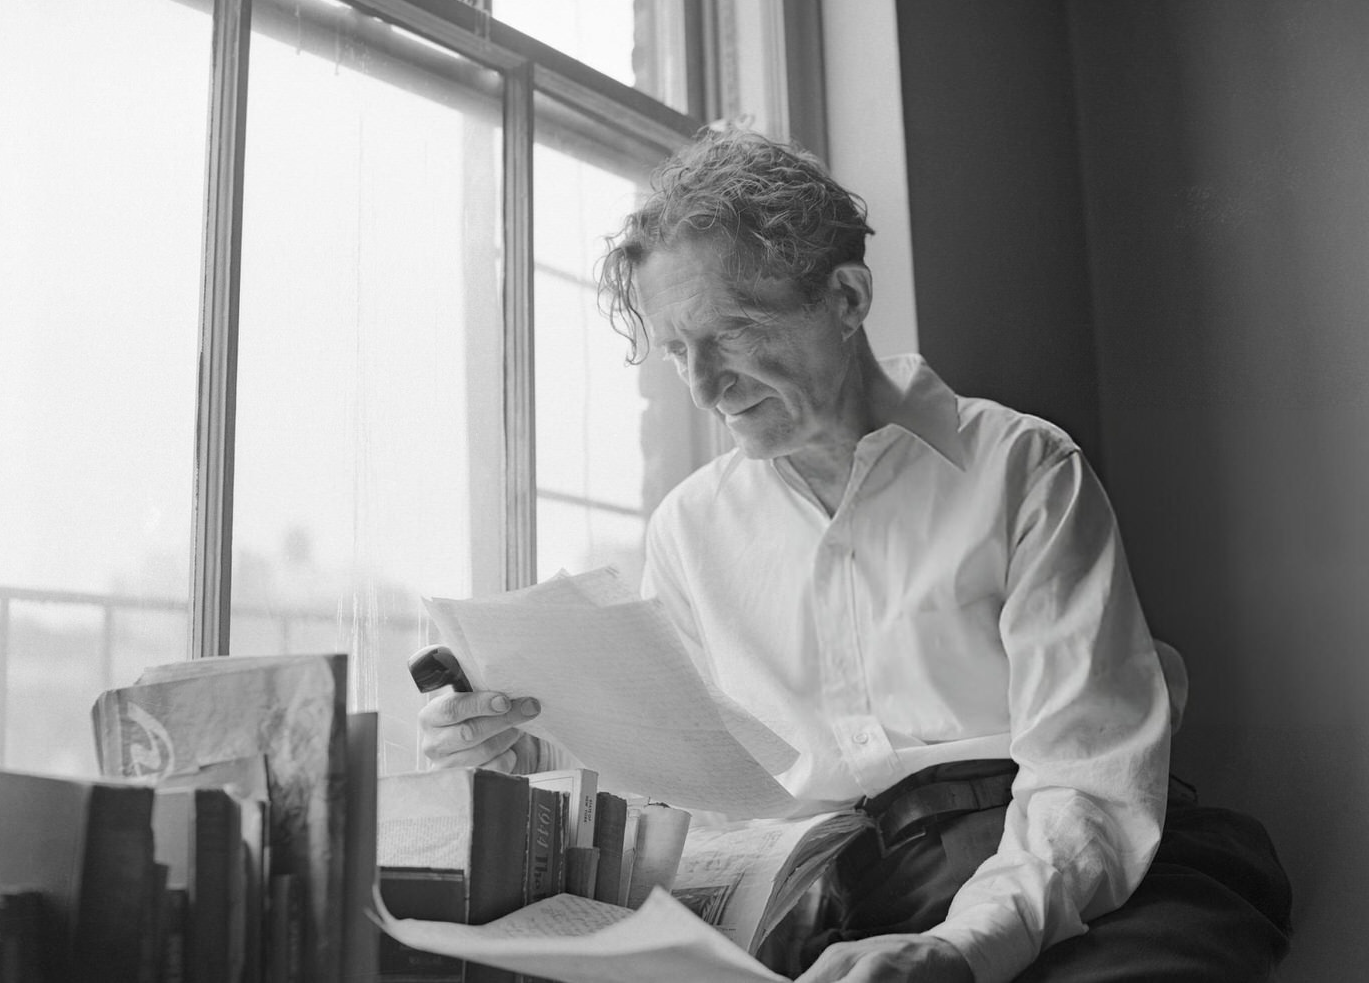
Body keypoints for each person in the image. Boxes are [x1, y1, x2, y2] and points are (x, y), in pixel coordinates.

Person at [418, 126, 1292, 982]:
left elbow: (1089, 774)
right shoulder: (688, 530)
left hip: (1056, 852)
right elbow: (684, 778)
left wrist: (963, 949)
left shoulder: (1023, 468)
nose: (703, 385)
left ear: (846, 297)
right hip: (818, 885)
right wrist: (522, 751)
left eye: (732, 332)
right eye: (678, 349)